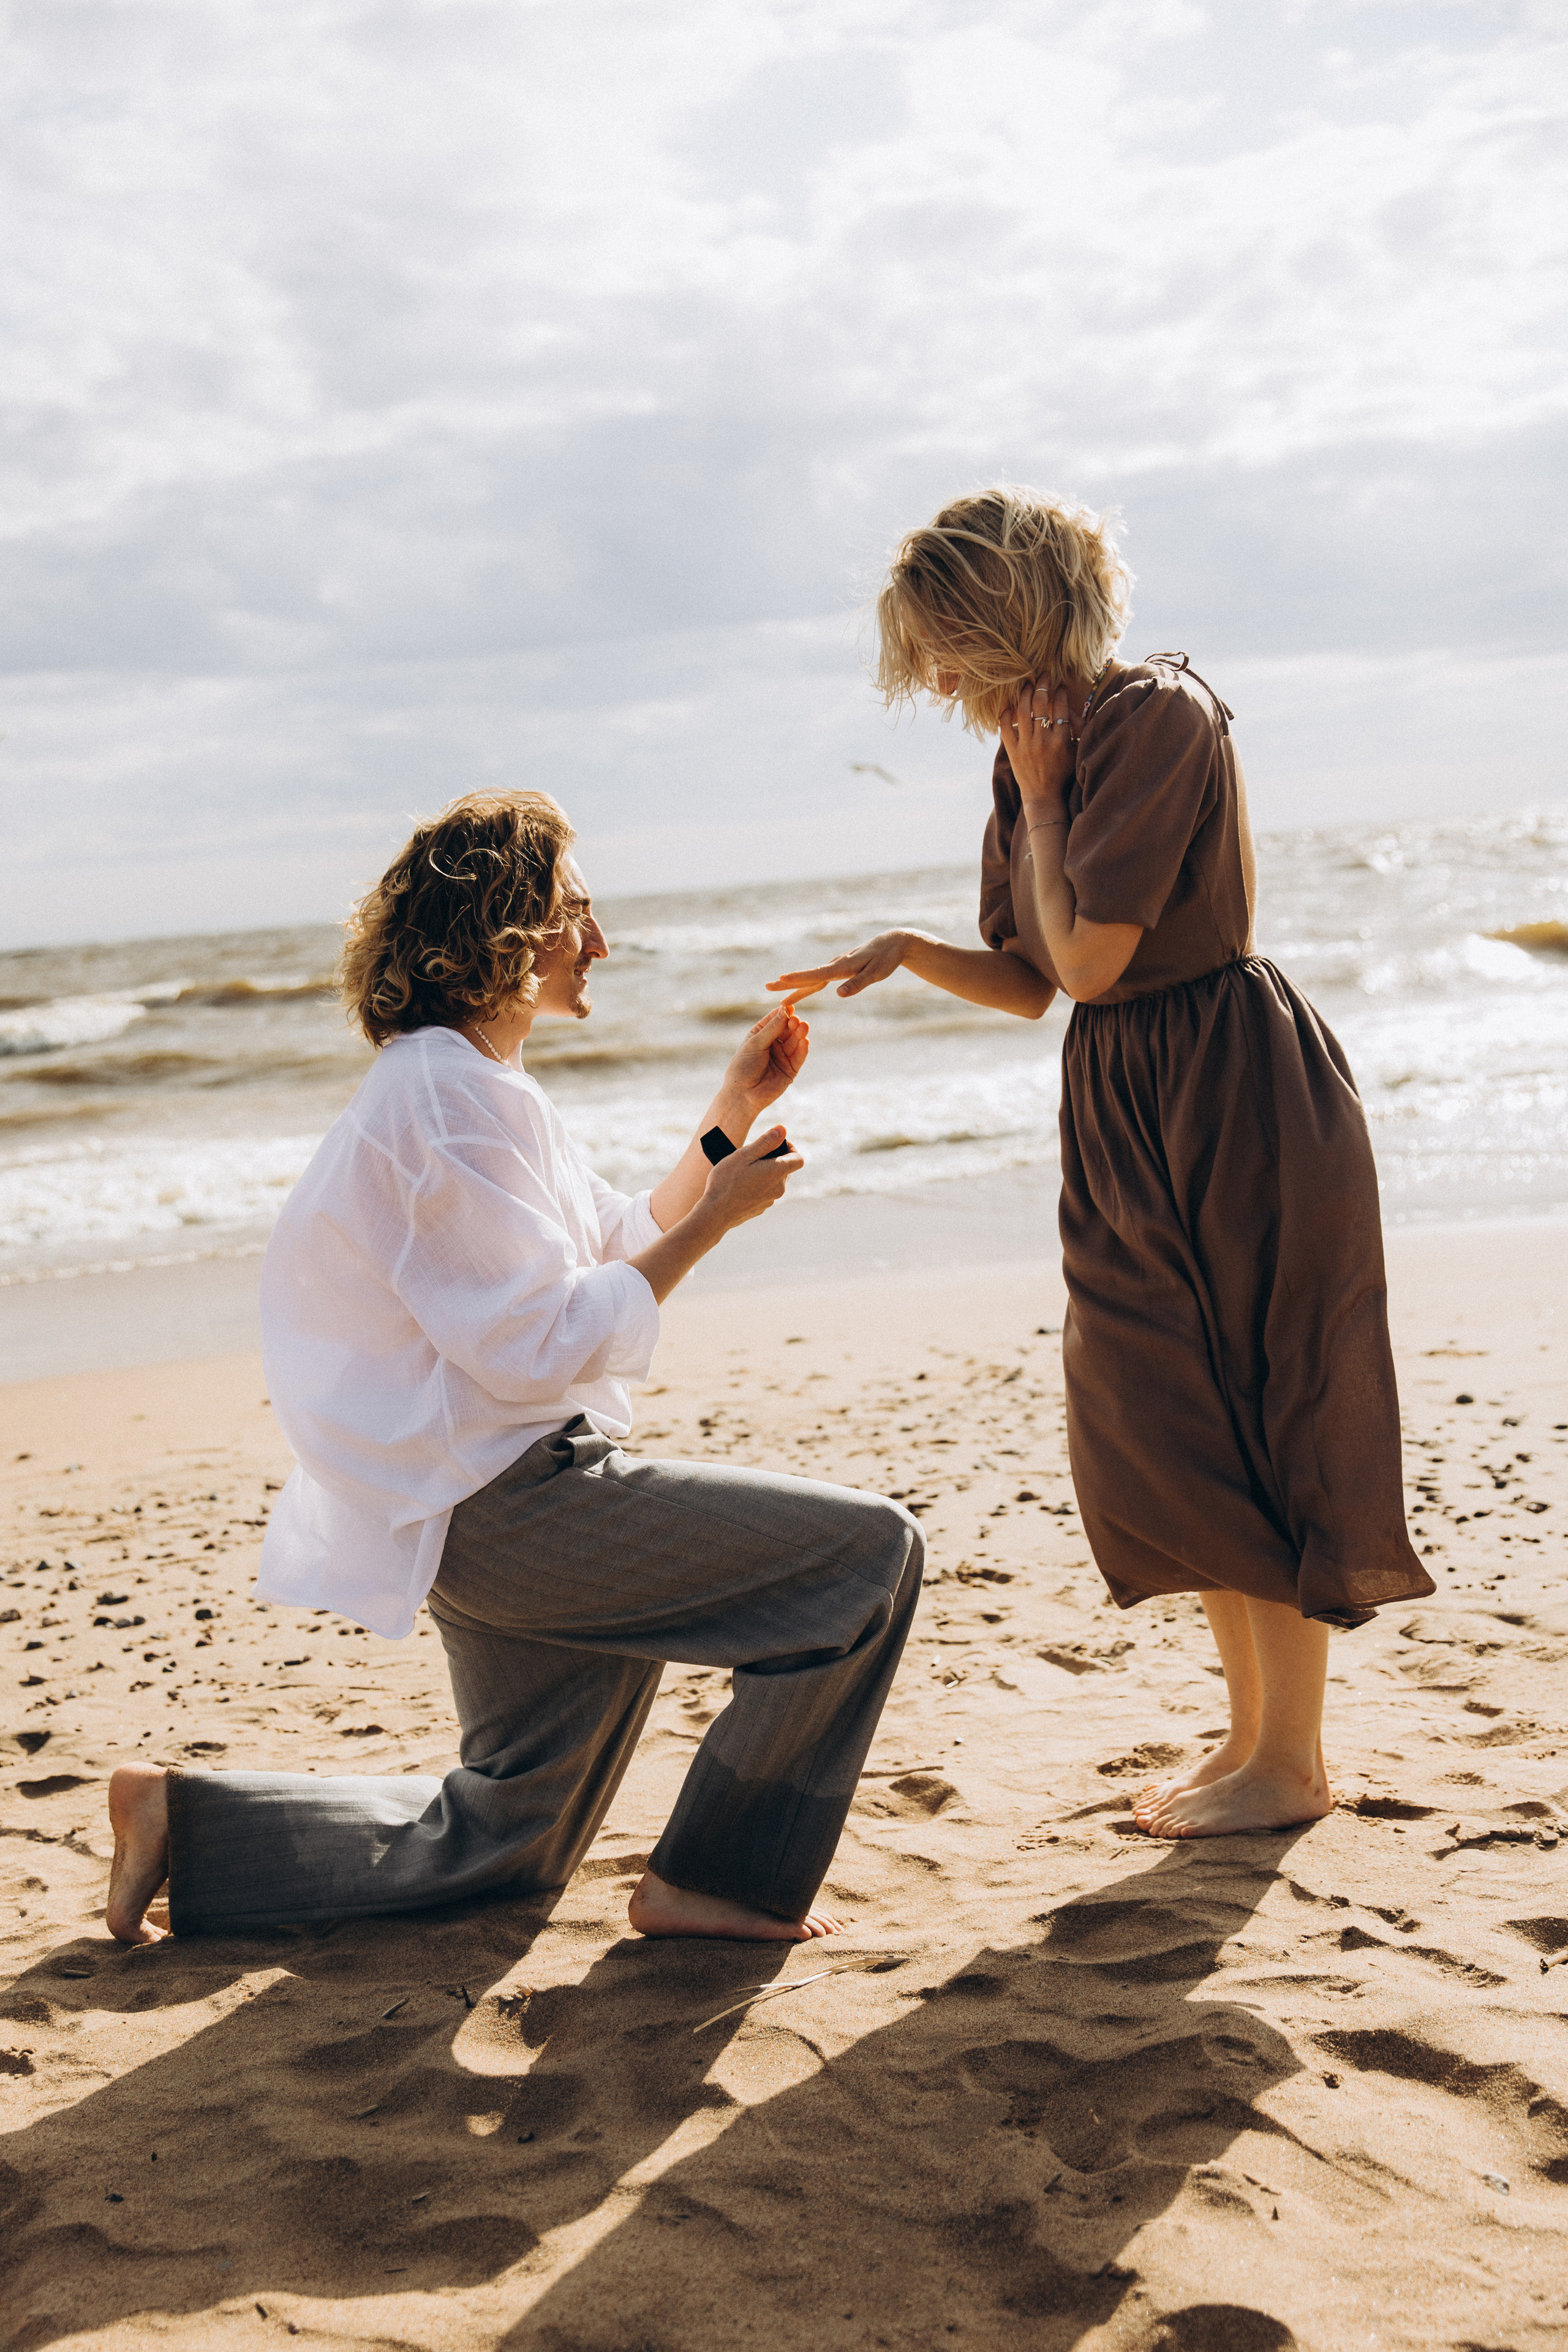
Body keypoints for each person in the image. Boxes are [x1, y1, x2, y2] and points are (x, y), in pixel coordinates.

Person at [107, 787, 922, 1945]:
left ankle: (184, 1824)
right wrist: (719, 1223)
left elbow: (611, 1240)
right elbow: (534, 1340)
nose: (600, 943)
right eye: (576, 912)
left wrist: (733, 1111)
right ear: (503, 926)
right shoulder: (443, 1095)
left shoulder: (476, 1086)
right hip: (510, 1501)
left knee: (510, 1834)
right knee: (868, 1558)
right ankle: (722, 1880)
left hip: (484, 1494)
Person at [771, 489, 1433, 1840]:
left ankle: (1286, 1760)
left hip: (1228, 1088)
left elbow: (1089, 958)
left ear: (1002, 613)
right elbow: (1029, 984)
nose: (935, 680)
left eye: (942, 644)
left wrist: (1043, 802)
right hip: (1126, 1097)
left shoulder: (1150, 720)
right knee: (1163, 1412)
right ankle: (1252, 1738)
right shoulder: (1032, 752)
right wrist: (908, 948)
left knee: (1255, 1402)